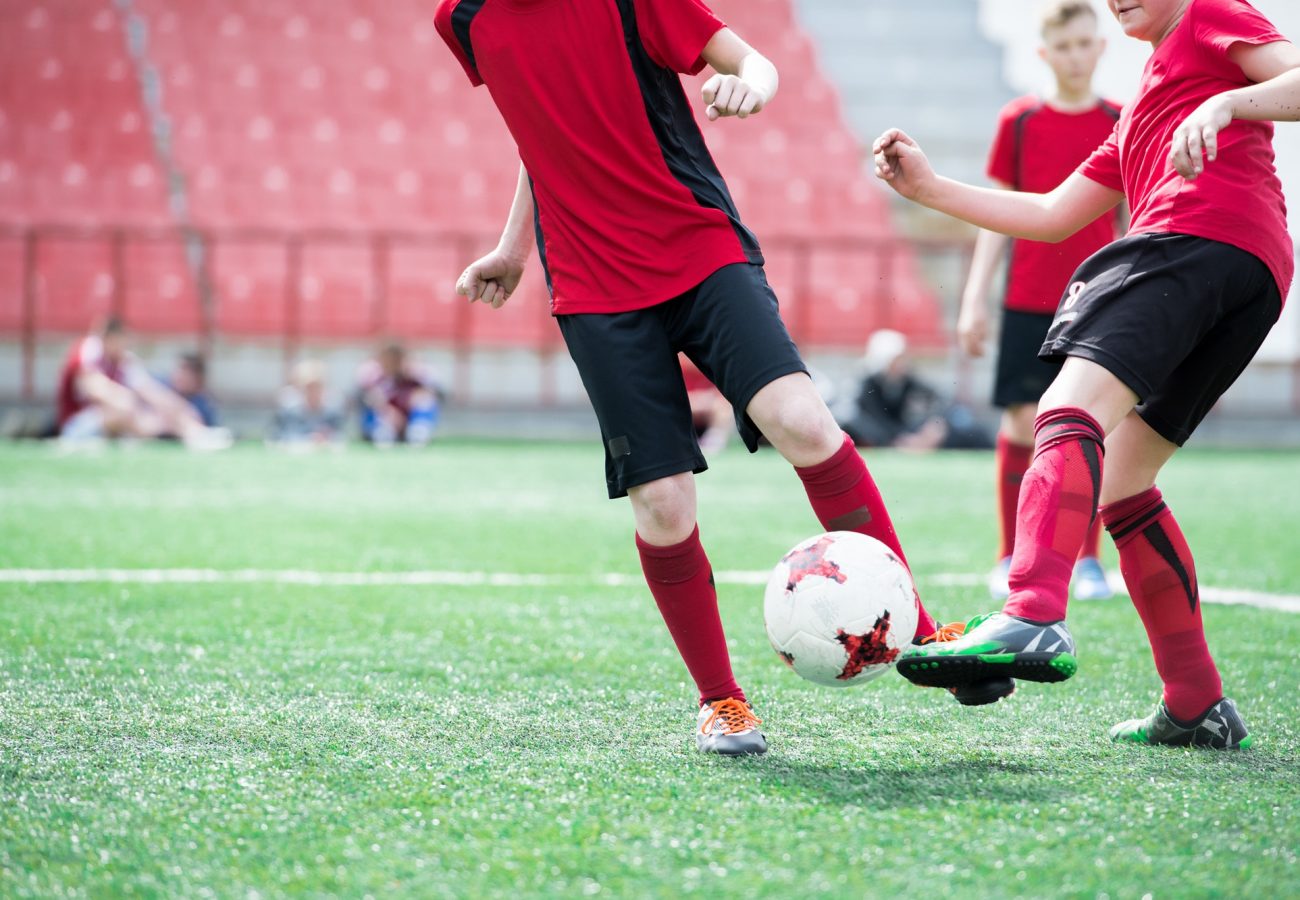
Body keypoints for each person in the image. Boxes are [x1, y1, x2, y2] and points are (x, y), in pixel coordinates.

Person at [435, 0, 989, 756]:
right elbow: (544, 133)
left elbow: (750, 60)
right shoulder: (464, 21)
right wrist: (513, 249)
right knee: (662, 506)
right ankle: (722, 702)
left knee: (801, 420)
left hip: (698, 249)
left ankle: (922, 635)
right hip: (595, 286)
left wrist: (752, 86)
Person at [875, 0, 1297, 749]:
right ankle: (1195, 701)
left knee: (1066, 408)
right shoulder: (1141, 102)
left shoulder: (1205, 15)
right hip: (1254, 274)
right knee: (1124, 484)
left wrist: (1230, 102)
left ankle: (1033, 611)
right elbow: (1053, 212)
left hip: (1193, 236)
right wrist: (930, 190)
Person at [959, 1, 1120, 602]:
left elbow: (1131, 219)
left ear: (1100, 46)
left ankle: (1087, 560)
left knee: (1090, 423)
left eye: (1086, 43)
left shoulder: (1121, 121)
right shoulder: (1019, 121)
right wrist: (974, 298)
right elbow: (996, 217)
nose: (1076, 55)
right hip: (1028, 299)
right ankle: (1009, 554)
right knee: (1022, 422)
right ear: (1044, 52)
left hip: (1097, 299)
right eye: (1065, 45)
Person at [56, 316, 232, 450]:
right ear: (109, 338)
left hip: (116, 423)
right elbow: (96, 389)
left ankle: (194, 433)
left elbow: (152, 392)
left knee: (159, 410)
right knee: (124, 408)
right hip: (77, 428)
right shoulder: (89, 351)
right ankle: (185, 435)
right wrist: (134, 407)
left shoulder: (123, 361)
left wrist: (182, 410)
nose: (124, 345)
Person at [841, 329, 992, 452]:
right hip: (876, 435)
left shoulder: (906, 380)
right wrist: (900, 441)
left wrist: (930, 430)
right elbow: (869, 421)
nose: (900, 365)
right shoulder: (865, 384)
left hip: (900, 434)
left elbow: (940, 399)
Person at [356, 343, 442, 446]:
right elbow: (363, 397)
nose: (392, 363)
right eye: (388, 360)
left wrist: (415, 399)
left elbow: (439, 393)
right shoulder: (375, 376)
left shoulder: (415, 376)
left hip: (408, 421)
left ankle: (418, 433)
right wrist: (387, 410)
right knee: (373, 401)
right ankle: (383, 434)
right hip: (384, 421)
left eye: (395, 360)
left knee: (424, 400)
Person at [270, 359, 344, 447]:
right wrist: (308, 439)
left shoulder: (331, 413)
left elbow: (339, 436)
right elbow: (280, 437)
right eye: (309, 388)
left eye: (317, 388)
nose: (313, 392)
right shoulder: (289, 412)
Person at [167, 352, 219, 427]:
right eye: (178, 370)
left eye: (184, 371)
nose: (178, 375)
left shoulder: (202, 405)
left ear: (197, 378)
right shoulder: (165, 388)